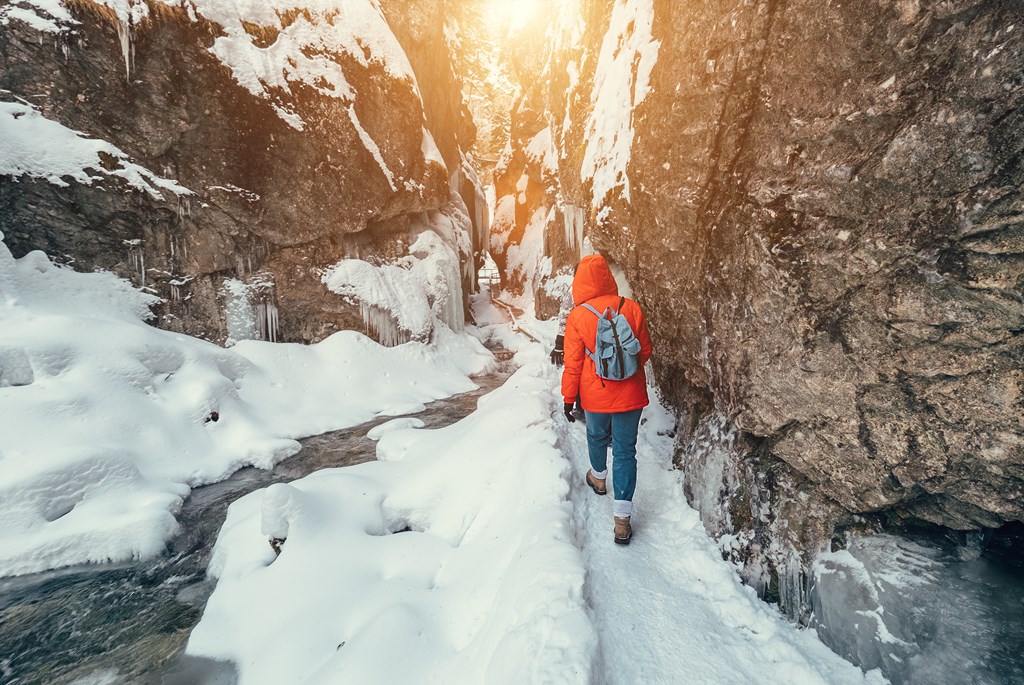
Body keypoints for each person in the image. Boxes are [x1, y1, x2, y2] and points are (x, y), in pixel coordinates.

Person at [560, 254, 652, 545]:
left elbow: (573, 362)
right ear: (607, 278)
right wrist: (625, 372)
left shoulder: (577, 316)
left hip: (594, 394)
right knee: (625, 451)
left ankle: (598, 478)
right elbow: (645, 350)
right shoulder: (632, 308)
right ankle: (622, 521)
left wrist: (568, 396)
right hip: (631, 394)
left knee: (596, 435)